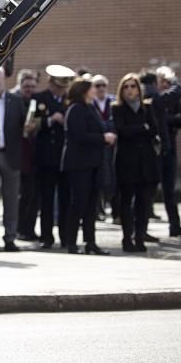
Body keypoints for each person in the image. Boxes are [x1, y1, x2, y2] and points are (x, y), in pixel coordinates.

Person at [61, 78, 115, 255]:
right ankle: (71, 242)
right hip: (79, 164)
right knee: (78, 203)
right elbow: (79, 135)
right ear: (84, 90)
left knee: (92, 204)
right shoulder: (75, 109)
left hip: (93, 163)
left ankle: (90, 242)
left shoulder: (90, 108)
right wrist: (103, 138)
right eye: (92, 87)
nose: (95, 90)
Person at [112, 73, 161, 252]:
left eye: (133, 86)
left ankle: (139, 237)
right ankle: (127, 238)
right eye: (126, 87)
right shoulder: (117, 109)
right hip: (127, 161)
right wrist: (142, 128)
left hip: (146, 162)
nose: (130, 90)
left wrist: (140, 130)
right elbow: (123, 131)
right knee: (126, 202)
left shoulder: (147, 108)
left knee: (144, 202)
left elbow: (154, 129)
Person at [0, 66, 26, 253]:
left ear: (4, 79)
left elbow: (24, 126)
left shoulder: (16, 101)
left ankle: (10, 238)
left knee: (11, 199)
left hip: (11, 155)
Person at [32, 64, 74, 249]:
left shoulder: (71, 100)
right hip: (46, 157)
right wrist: (50, 120)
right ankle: (46, 237)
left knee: (66, 198)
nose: (61, 90)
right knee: (47, 199)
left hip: (65, 157)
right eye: (59, 86)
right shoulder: (39, 98)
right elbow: (29, 125)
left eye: (64, 86)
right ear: (50, 82)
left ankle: (65, 236)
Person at [149, 66, 181, 237]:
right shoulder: (153, 97)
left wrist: (167, 120)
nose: (166, 85)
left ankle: (175, 225)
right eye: (163, 81)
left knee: (170, 189)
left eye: (167, 82)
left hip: (169, 146)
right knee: (149, 189)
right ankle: (139, 229)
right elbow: (176, 93)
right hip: (154, 149)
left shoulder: (171, 101)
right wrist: (169, 120)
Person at [14, 71, 40, 241]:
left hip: (33, 156)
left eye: (32, 86)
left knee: (33, 195)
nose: (29, 89)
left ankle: (29, 229)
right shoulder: (13, 101)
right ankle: (18, 229)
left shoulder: (37, 103)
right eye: (26, 86)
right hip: (17, 156)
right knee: (19, 196)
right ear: (20, 86)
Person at [91, 74, 117, 222]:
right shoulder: (90, 104)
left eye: (103, 85)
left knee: (112, 178)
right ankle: (96, 211)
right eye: (97, 85)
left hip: (112, 146)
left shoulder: (113, 102)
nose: (100, 88)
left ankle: (114, 211)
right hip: (97, 146)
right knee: (98, 179)